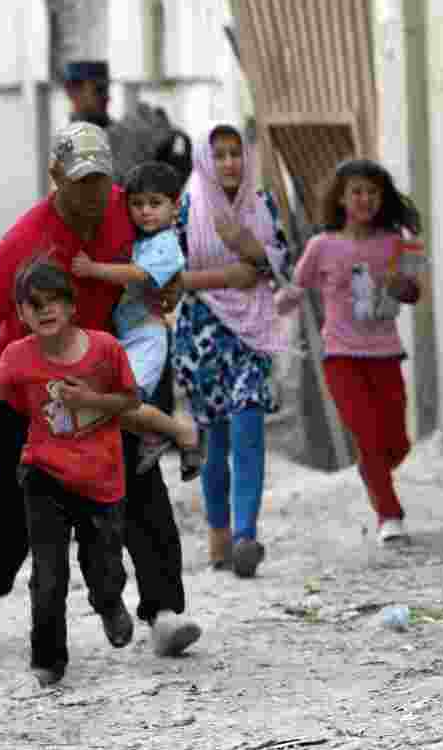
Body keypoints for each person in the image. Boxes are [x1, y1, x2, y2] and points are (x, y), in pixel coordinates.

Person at [0, 121, 201, 657]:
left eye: (101, 180)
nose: (94, 194)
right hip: (29, 392)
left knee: (141, 491)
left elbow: (165, 248)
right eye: (81, 182)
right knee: (8, 504)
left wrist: (171, 282)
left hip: (102, 385)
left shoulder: (128, 208)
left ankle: (164, 612)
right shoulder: (28, 237)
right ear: (56, 176)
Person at [0, 259, 139, 686]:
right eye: (34, 304)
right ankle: (47, 659)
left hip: (100, 479)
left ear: (72, 306)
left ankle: (108, 602)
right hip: (43, 474)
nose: (45, 310)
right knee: (48, 572)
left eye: (54, 301)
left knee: (105, 569)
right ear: (21, 314)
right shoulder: (17, 356)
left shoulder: (105, 349)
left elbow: (131, 401)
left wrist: (92, 400)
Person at [275, 159, 424, 545]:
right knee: (367, 435)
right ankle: (389, 515)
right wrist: (272, 305)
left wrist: (399, 286)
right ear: (341, 198)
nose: (365, 199)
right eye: (357, 192)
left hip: (386, 354)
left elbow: (414, 292)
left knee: (397, 443)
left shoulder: (396, 242)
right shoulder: (322, 246)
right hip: (341, 357)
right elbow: (296, 287)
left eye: (373, 192)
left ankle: (372, 469)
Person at [171, 122, 288, 577]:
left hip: (251, 331)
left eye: (235, 153)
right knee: (215, 439)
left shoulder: (262, 203)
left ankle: (245, 536)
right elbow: (167, 279)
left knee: (248, 421)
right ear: (206, 160)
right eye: (218, 155)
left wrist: (247, 246)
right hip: (202, 335)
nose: (229, 163)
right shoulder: (188, 207)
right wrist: (228, 276)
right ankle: (219, 531)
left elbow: (280, 262)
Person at [71, 160, 204, 479]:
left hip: (147, 337)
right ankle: (152, 435)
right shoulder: (140, 239)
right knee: (110, 404)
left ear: (175, 207)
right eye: (137, 204)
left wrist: (94, 270)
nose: (145, 211)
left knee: (119, 402)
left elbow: (139, 275)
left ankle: (182, 433)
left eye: (155, 204)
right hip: (126, 335)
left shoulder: (166, 244)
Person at [61, 60, 192, 186]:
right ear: (72, 91)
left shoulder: (124, 131)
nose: (107, 97)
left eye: (107, 90)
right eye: (99, 90)